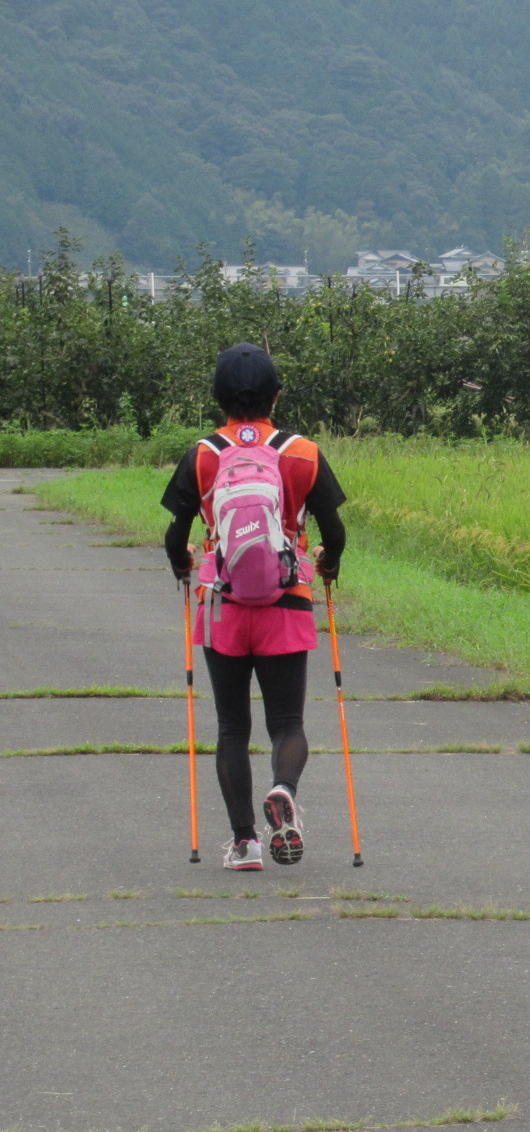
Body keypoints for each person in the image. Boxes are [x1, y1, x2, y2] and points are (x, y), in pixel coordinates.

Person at [162, 344, 346, 871]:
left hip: (223, 605)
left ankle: (244, 845)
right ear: (277, 394)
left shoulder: (202, 454)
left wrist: (184, 562)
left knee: (231, 729)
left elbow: (175, 537)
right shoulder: (302, 452)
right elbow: (335, 531)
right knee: (287, 721)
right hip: (285, 602)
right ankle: (284, 788)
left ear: (218, 397)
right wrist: (326, 563)